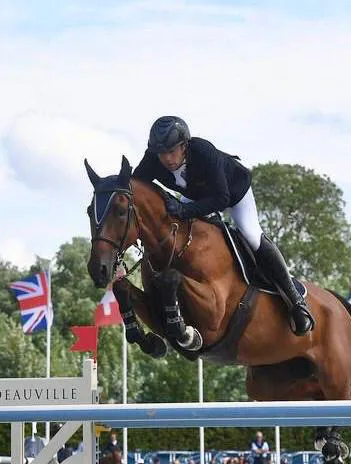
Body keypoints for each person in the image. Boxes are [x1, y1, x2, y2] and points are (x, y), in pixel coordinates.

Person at [132, 116, 314, 336]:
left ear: (184, 146)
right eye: (162, 154)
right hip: (196, 196)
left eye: (172, 152)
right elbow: (136, 187)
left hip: (233, 192)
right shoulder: (153, 158)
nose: (167, 159)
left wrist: (184, 210)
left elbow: (221, 199)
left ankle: (296, 301)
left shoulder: (203, 152)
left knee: (251, 235)